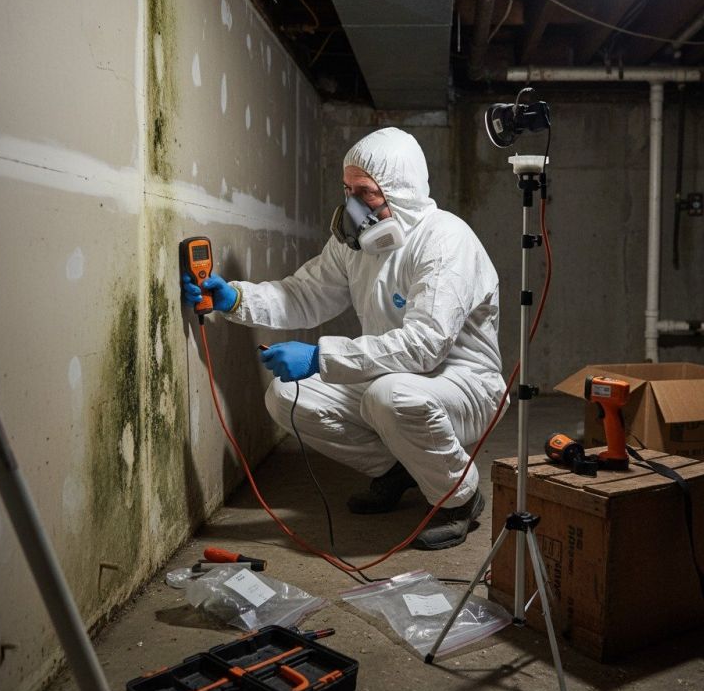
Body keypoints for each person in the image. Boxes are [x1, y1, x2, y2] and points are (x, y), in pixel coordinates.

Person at [182, 127, 506, 549]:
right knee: (287, 395)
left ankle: (459, 497)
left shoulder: (445, 240)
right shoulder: (356, 246)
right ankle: (396, 469)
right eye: (347, 188)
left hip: (465, 385)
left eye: (366, 191)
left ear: (400, 190)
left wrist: (320, 356)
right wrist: (235, 298)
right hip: (390, 375)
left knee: (390, 396)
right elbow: (303, 294)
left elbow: (425, 345)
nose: (352, 203)